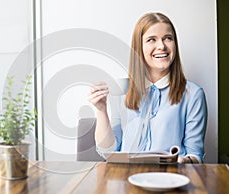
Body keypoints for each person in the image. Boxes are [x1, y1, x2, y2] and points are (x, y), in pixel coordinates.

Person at [88, 12, 207, 163]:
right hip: (125, 178)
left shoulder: (193, 94)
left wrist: (185, 161)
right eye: (152, 40)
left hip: (170, 176)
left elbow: (196, 154)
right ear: (139, 48)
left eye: (168, 38)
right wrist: (101, 109)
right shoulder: (122, 90)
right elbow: (109, 150)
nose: (161, 46)